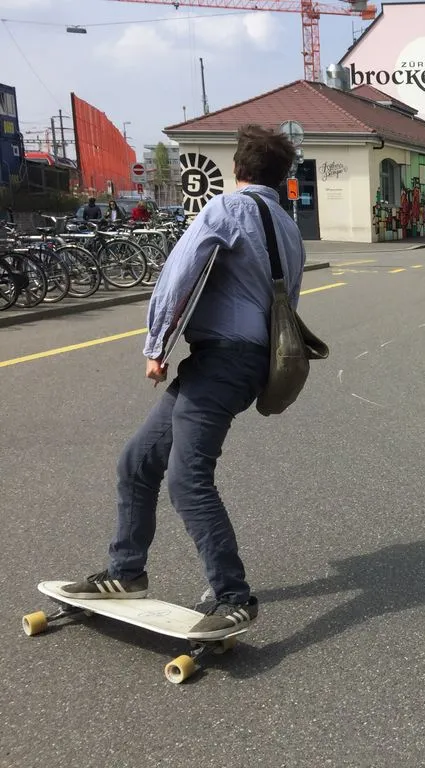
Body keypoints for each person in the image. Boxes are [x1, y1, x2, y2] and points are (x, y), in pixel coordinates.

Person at [56, 125, 307, 639]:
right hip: (247, 362)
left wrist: (156, 346)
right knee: (139, 460)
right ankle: (126, 574)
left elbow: (179, 273)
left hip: (223, 361)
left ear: (238, 169)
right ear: (281, 180)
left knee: (187, 478)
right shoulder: (286, 225)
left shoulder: (227, 210)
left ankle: (233, 597)